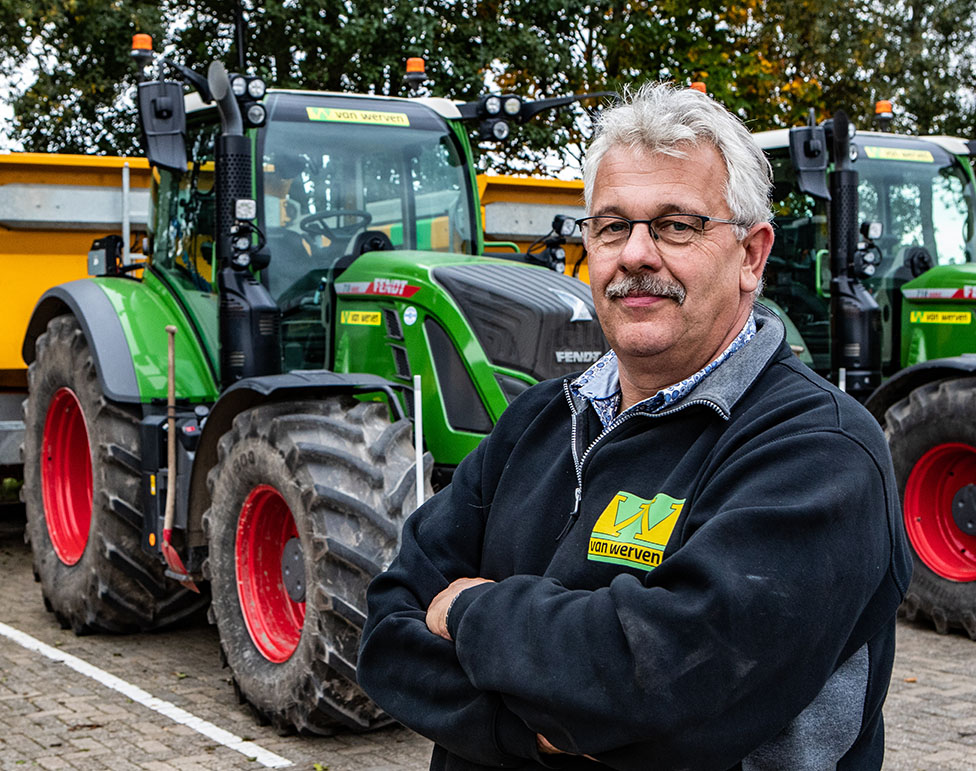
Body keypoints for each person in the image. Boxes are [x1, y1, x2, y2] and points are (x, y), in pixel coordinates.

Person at [357, 83, 912, 771]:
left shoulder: (821, 453)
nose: (636, 254)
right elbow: (386, 633)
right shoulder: (538, 421)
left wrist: (472, 614)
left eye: (677, 224)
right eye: (612, 226)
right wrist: (544, 730)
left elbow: (668, 686)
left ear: (751, 255)